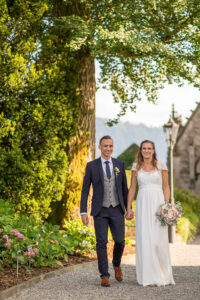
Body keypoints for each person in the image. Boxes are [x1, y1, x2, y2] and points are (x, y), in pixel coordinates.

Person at [80, 135, 128, 287]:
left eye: (111, 146)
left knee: (120, 241)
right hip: (99, 210)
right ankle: (104, 275)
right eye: (105, 146)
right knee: (101, 242)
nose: (108, 148)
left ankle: (116, 263)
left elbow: (124, 189)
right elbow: (85, 190)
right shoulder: (91, 166)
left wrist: (129, 208)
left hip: (117, 209)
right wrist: (83, 212)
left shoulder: (120, 164)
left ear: (113, 147)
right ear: (100, 147)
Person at [126, 140, 175, 287]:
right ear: (141, 150)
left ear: (153, 150)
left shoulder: (161, 166)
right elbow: (132, 188)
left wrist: (167, 207)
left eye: (149, 148)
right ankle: (147, 276)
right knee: (144, 239)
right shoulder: (136, 166)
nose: (146, 151)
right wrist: (128, 208)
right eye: (144, 148)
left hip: (157, 204)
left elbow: (166, 187)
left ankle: (162, 275)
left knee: (157, 240)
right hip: (142, 204)